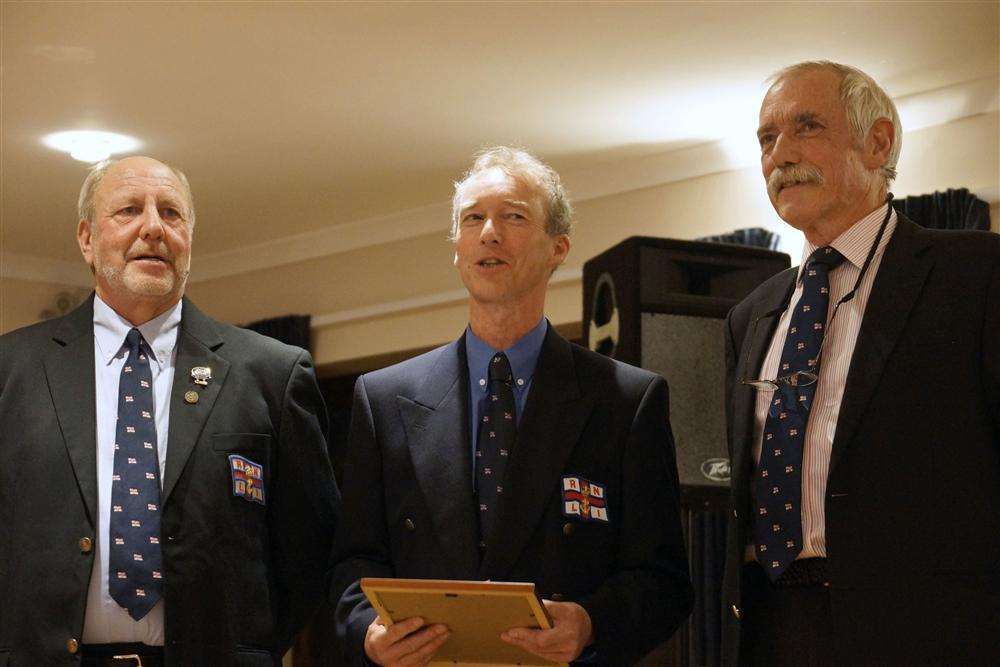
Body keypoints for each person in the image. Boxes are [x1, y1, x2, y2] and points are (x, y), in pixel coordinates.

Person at [331, 146, 692, 666]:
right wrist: (368, 631)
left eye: (513, 217)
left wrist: (591, 622)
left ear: (558, 247)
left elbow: (664, 581)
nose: (489, 233)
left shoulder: (626, 400)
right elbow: (353, 561)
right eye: (473, 218)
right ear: (456, 249)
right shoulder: (383, 398)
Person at [0, 156, 340, 665]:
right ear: (88, 239)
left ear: (190, 240)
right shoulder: (12, 370)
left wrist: (244, 647)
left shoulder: (271, 373)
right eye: (129, 210)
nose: (153, 228)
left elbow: (312, 550)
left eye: (172, 214)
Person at [722, 61, 1000, 666]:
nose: (781, 154)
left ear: (877, 142)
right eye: (767, 138)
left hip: (934, 633)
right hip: (774, 629)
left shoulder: (976, 274)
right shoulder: (752, 314)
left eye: (806, 126)